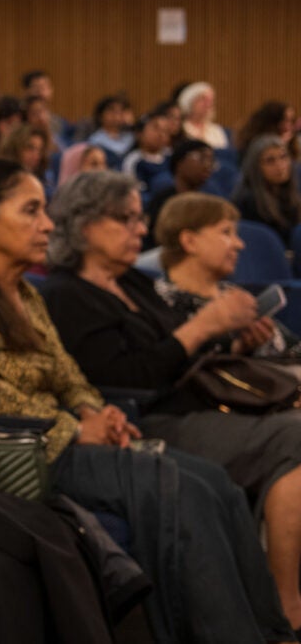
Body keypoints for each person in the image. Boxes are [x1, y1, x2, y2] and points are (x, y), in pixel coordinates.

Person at [0, 158, 296, 643]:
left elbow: (69, 374)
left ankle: (271, 631)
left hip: (56, 440)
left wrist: (94, 409)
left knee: (214, 480)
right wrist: (71, 426)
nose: (47, 224)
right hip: (10, 456)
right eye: (31, 211)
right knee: (175, 484)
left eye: (45, 210)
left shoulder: (23, 292)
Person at [41, 169, 301, 634]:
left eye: (140, 219)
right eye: (125, 219)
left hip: (193, 403)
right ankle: (286, 608)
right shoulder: (67, 294)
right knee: (293, 437)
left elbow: (176, 356)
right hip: (150, 418)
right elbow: (123, 378)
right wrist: (204, 325)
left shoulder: (134, 282)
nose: (141, 230)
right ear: (83, 226)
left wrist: (230, 344)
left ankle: (271, 623)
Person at [153, 192, 301, 358]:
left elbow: (294, 347)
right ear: (190, 241)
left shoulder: (232, 294)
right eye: (226, 232)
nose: (240, 244)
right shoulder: (159, 306)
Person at [144, 139, 216, 246]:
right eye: (201, 158)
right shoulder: (162, 201)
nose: (207, 165)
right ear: (180, 162)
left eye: (211, 161)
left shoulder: (209, 203)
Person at [232, 134, 301, 245]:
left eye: (283, 157)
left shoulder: (290, 195)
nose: (280, 166)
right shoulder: (247, 201)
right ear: (256, 167)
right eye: (270, 161)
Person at [179, 81, 229, 149]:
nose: (207, 105)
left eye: (210, 101)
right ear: (189, 102)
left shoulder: (217, 131)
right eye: (203, 100)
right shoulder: (180, 129)